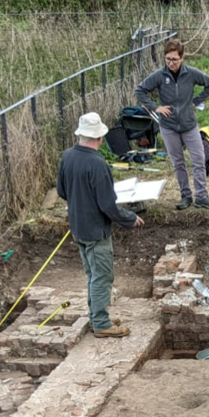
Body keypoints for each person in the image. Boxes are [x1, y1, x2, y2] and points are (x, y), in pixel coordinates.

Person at [56, 112, 145, 338]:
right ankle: (101, 323)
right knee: (102, 276)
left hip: (78, 226)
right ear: (99, 138)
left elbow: (62, 191)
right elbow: (108, 205)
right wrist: (129, 218)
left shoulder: (67, 156)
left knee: (92, 274)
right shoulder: (97, 164)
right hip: (96, 230)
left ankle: (97, 314)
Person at [136, 39, 209, 210]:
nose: (171, 63)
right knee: (178, 163)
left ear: (182, 58)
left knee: (198, 159)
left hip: (189, 125)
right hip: (169, 127)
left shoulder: (191, 74)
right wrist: (155, 107)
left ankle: (202, 196)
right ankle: (185, 196)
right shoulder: (159, 76)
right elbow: (140, 90)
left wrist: (195, 101)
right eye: (168, 59)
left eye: (174, 59)